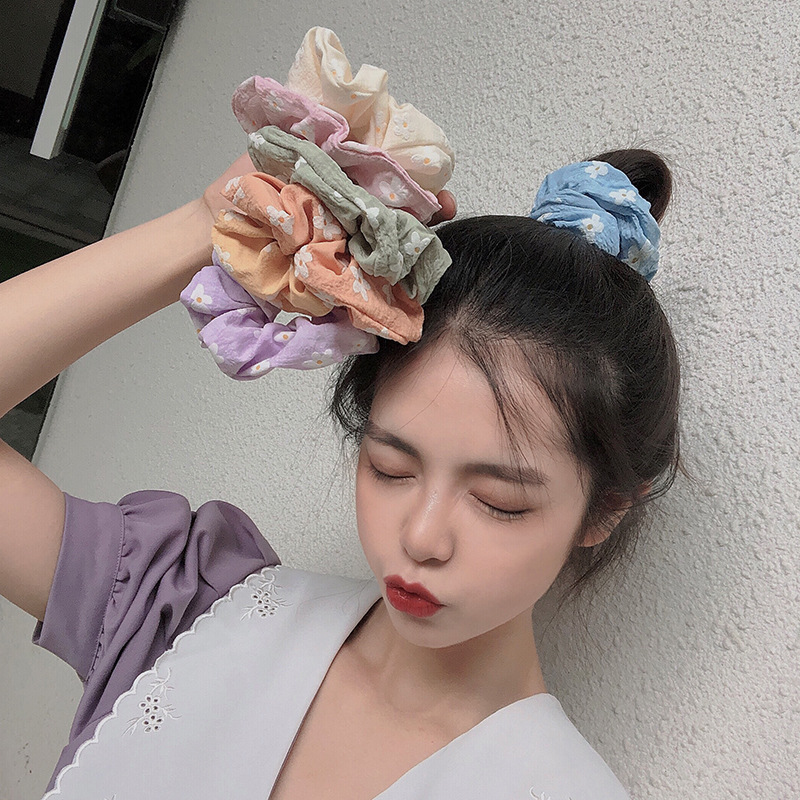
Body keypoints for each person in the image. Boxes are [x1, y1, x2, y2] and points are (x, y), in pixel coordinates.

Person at [0, 143, 689, 800]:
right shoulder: (190, 607)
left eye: (498, 501)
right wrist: (207, 224)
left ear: (604, 510)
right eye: (391, 467)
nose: (421, 537)